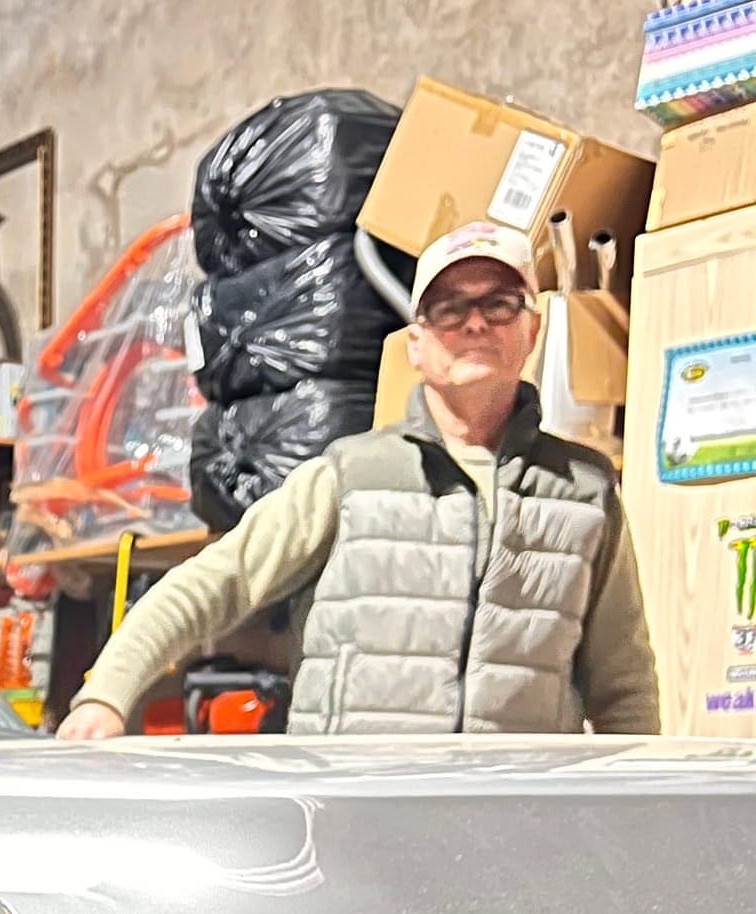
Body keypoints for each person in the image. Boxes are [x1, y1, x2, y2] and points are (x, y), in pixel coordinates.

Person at [56, 220, 659, 740]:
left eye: (499, 303)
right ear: (416, 345)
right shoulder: (352, 476)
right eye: (449, 308)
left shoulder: (583, 490)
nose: (475, 323)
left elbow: (624, 682)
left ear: (531, 330)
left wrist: (642, 805)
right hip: (354, 806)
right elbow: (216, 583)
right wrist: (105, 696)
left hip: (513, 811)